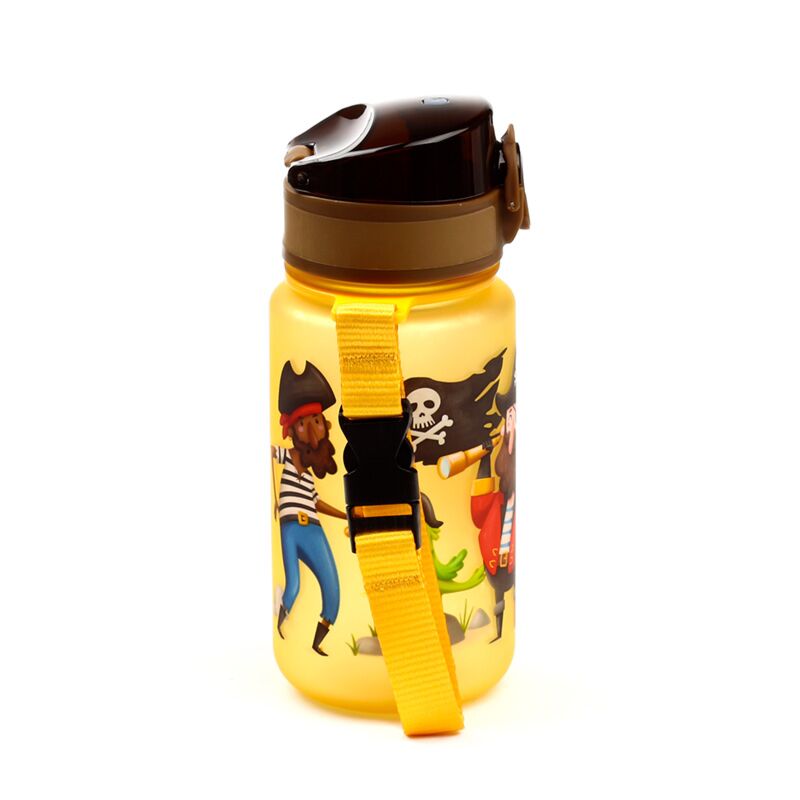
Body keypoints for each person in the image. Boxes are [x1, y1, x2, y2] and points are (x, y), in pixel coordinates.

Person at [272, 360, 346, 656]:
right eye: (303, 424)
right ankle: (282, 623)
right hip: (291, 527)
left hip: (313, 529)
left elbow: (316, 502)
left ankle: (318, 641)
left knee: (333, 588)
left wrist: (344, 515)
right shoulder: (288, 456)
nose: (312, 431)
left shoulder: (311, 475)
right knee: (294, 585)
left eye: (316, 421)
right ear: (292, 430)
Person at [470, 372, 516, 641]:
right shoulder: (497, 503)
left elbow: (480, 509)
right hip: (502, 513)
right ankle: (498, 631)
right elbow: (480, 508)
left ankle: (499, 632)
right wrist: (484, 458)